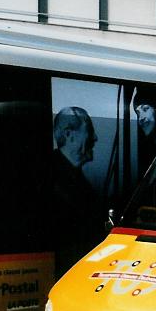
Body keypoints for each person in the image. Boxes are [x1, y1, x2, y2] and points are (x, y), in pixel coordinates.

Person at [52, 106, 104, 275]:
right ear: (69, 135)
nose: (95, 138)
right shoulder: (53, 177)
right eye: (89, 130)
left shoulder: (73, 177)